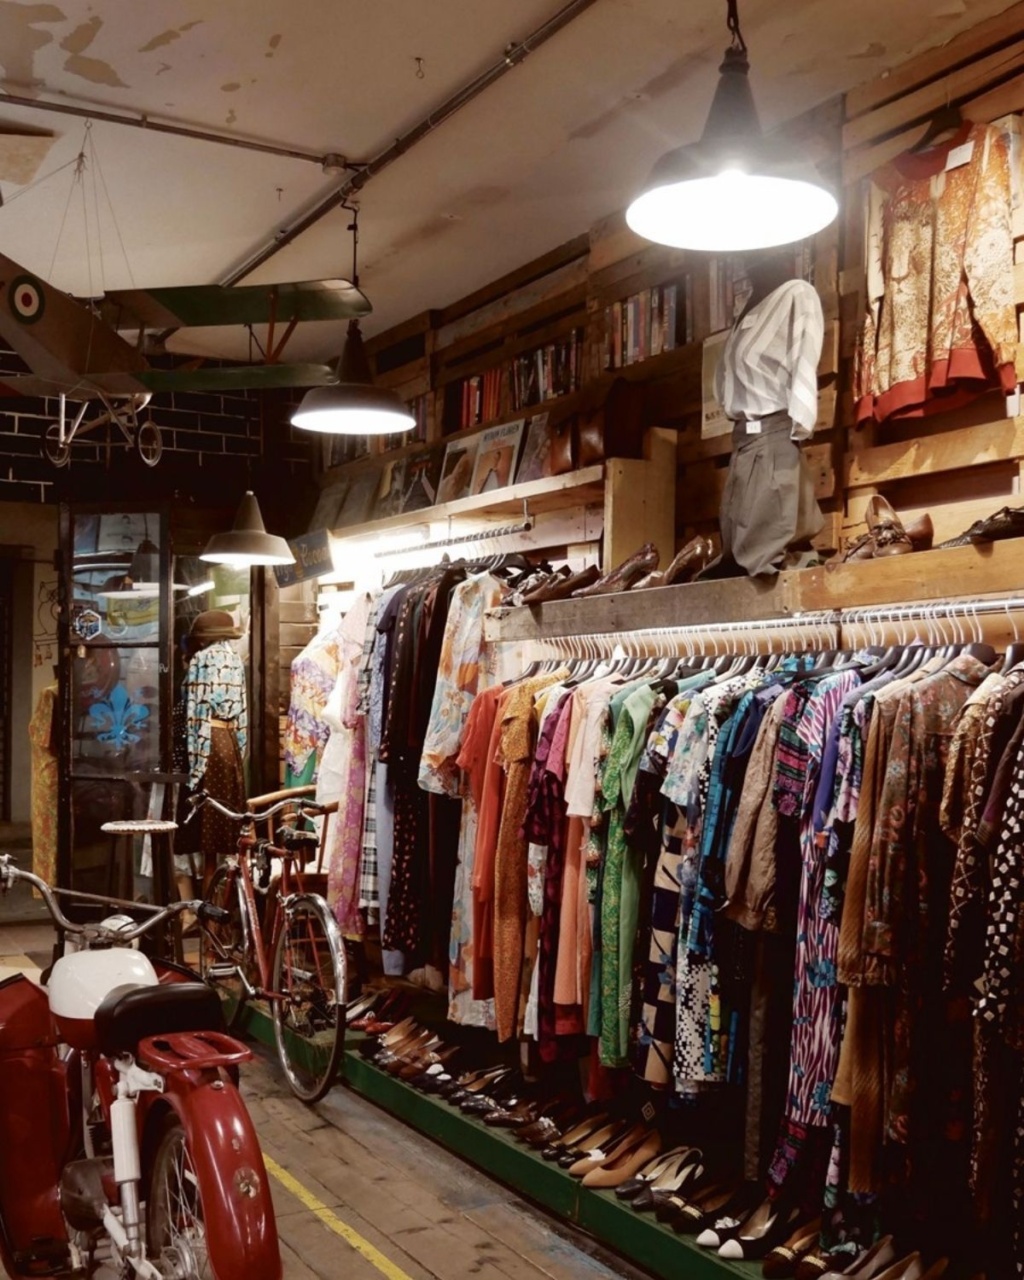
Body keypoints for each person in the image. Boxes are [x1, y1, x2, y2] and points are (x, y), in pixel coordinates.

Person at [699, 248, 825, 579]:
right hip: (743, 444)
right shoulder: (745, 312)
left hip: (772, 438)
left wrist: (799, 421)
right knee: (733, 565)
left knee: (762, 563)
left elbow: (804, 358)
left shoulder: (797, 294)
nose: (748, 261)